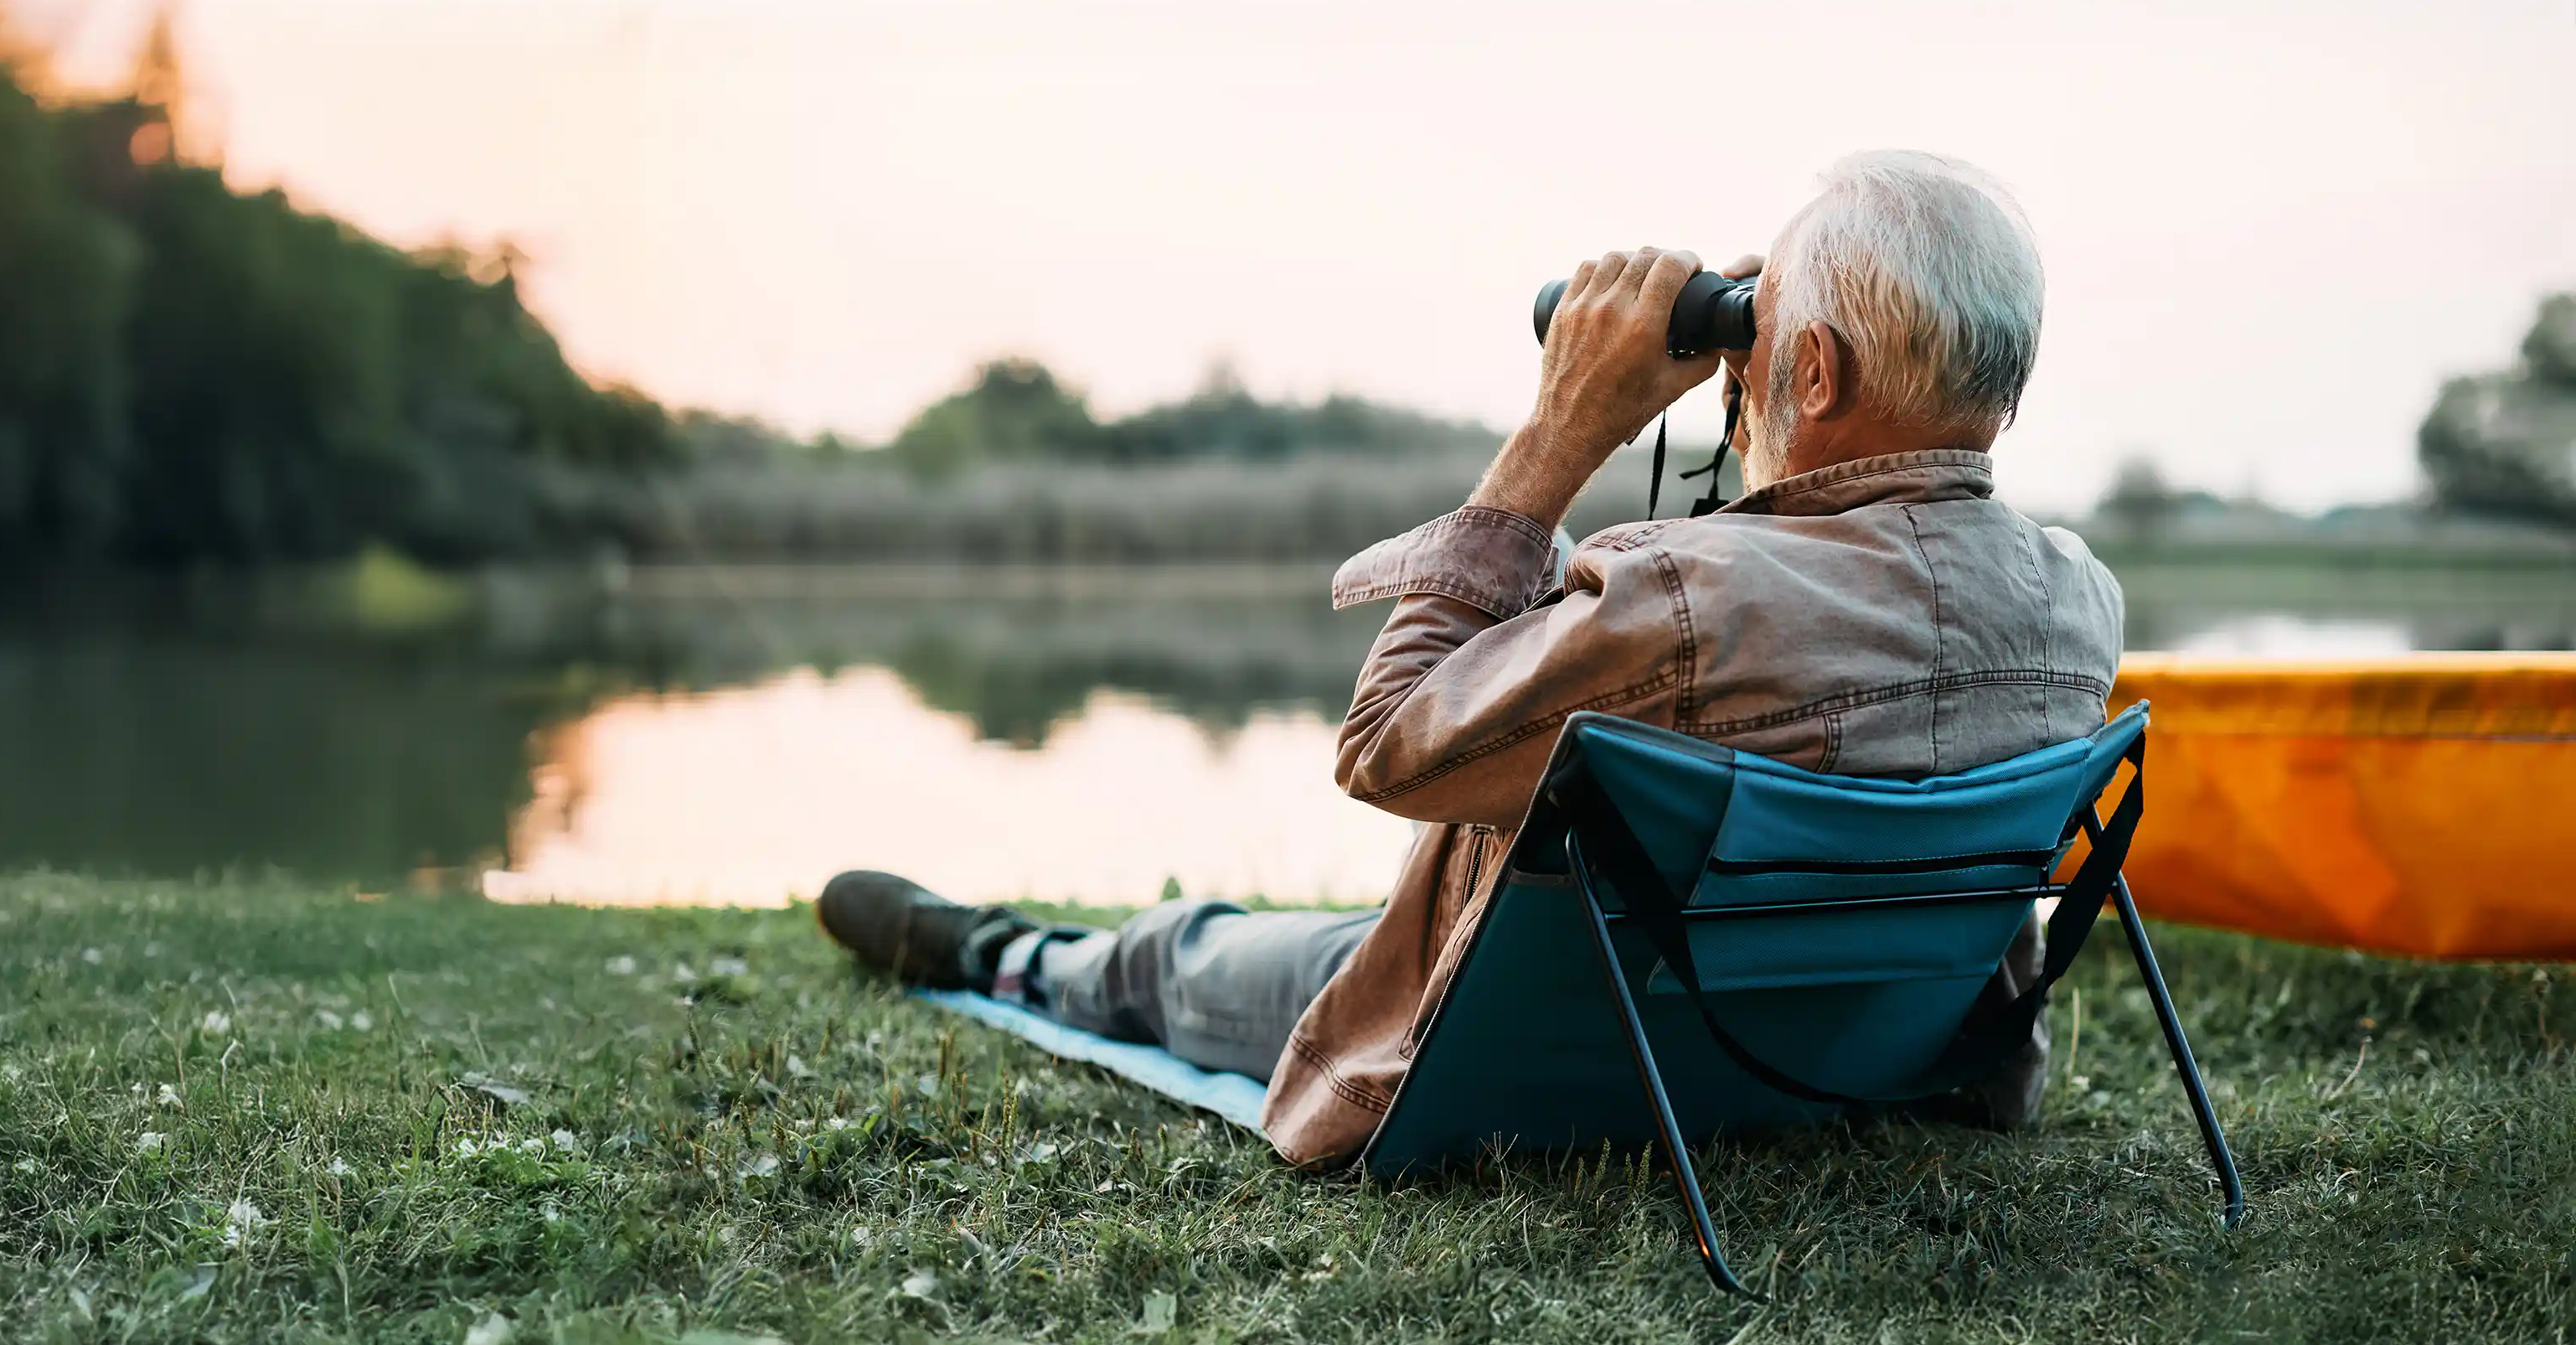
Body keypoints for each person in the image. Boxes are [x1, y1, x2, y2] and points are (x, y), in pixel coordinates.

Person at [817, 151, 2121, 1166]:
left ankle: (1001, 957)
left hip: (1588, 1050)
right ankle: (1014, 947)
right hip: (1844, 1046)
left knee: (1181, 954)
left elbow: (1385, 744)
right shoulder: (2079, 604)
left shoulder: (1682, 598)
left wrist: (1562, 429)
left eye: (1764, 331)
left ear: (1817, 373)